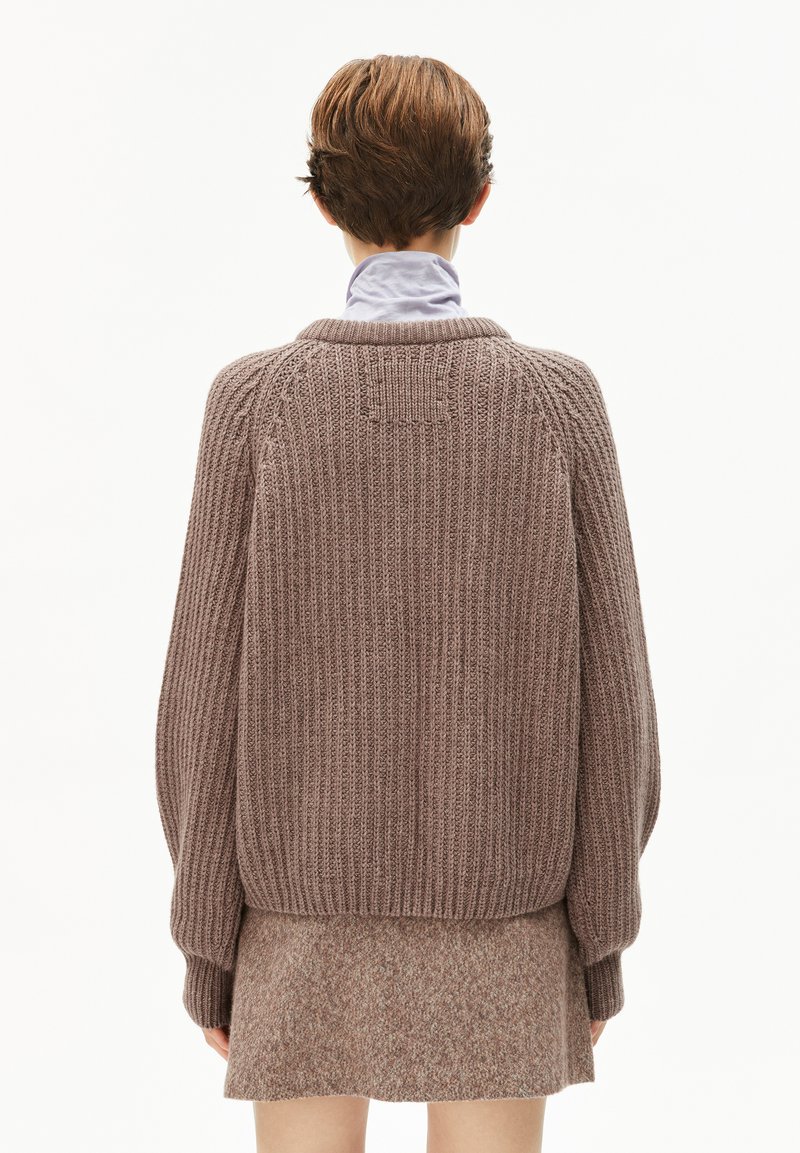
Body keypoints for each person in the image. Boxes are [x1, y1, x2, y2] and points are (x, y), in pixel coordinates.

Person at [155, 53, 661, 1153]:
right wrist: (597, 944)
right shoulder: (555, 401)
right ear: (478, 199)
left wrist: (209, 947)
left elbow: (199, 706)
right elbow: (617, 708)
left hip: (295, 924)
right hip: (507, 921)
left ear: (324, 202)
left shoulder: (254, 404)